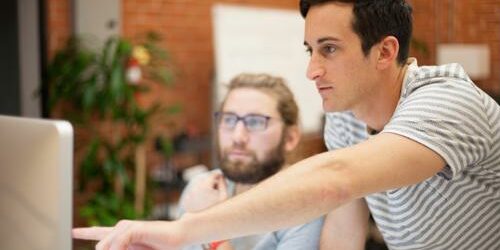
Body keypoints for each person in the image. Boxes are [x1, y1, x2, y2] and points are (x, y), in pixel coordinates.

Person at [73, 1, 500, 249]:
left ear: (385, 51)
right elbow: (344, 229)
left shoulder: (448, 101)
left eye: (329, 49)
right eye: (310, 50)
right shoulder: (345, 122)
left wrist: (182, 229)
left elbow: (337, 179)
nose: (312, 70)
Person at [178, 73, 324, 250]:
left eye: (255, 122)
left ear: (290, 138)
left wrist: (209, 224)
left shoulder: (307, 206)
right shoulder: (201, 189)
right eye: (229, 120)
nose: (238, 136)